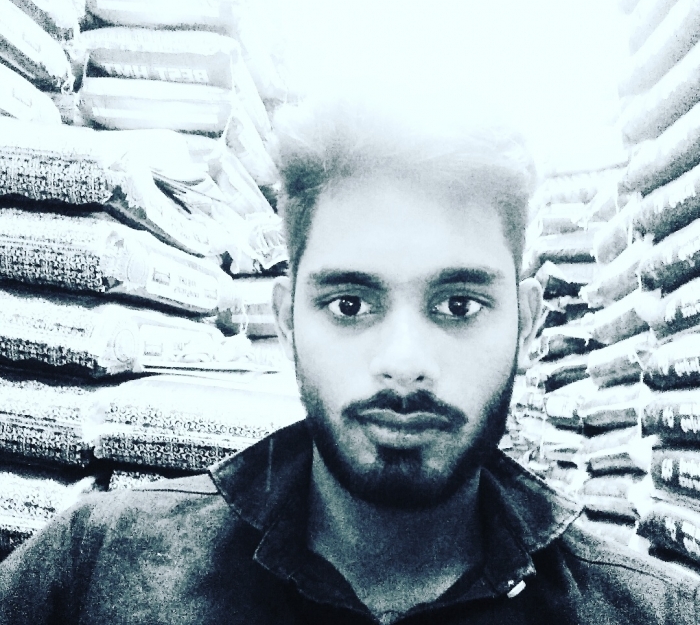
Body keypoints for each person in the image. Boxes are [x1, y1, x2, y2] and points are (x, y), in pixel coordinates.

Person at [0, 104, 697, 625]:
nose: (404, 363)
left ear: (528, 321)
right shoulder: (94, 569)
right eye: (350, 304)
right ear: (285, 320)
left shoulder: (653, 614)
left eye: (458, 305)